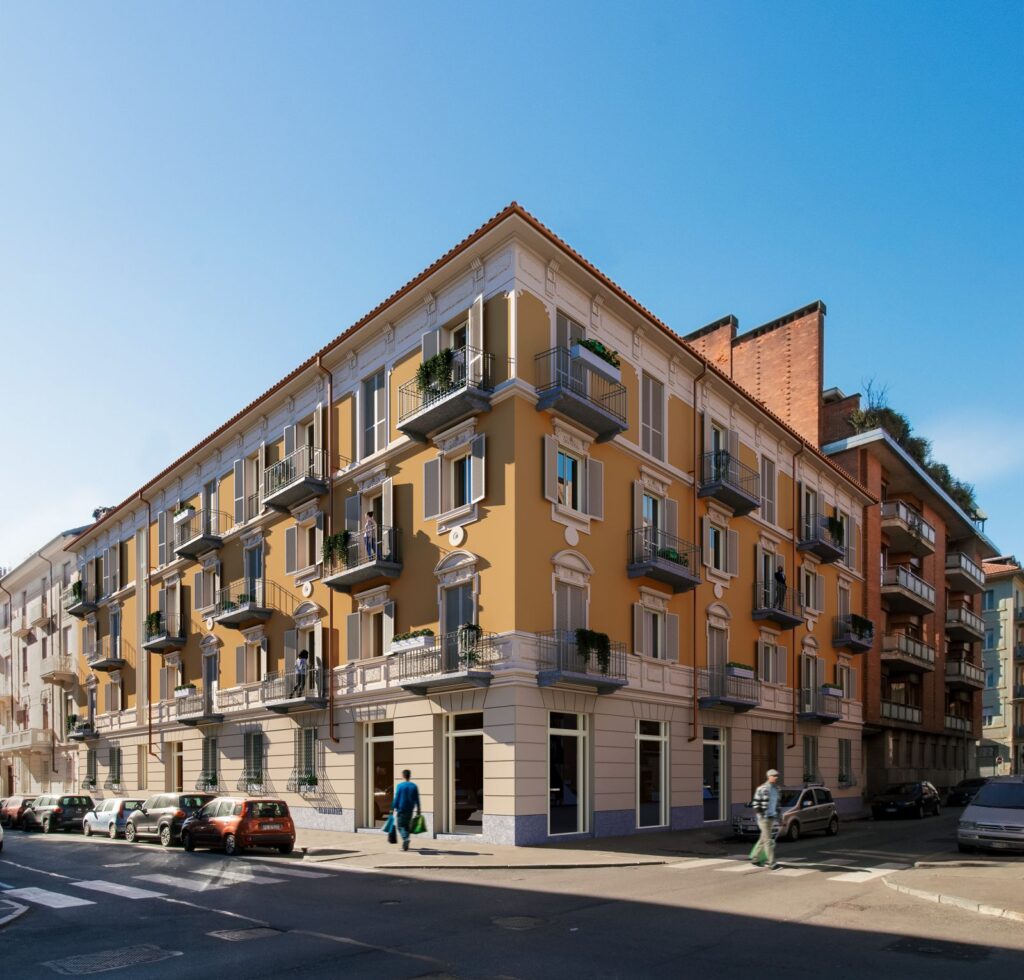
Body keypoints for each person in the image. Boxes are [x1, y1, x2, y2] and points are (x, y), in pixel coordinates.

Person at [750, 768, 781, 869]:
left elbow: (778, 804)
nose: (776, 778)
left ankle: (755, 858)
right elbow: (755, 804)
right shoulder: (762, 788)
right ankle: (771, 862)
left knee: (763, 839)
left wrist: (780, 817)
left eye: (777, 776)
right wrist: (761, 814)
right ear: (769, 776)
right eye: (774, 776)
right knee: (768, 840)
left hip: (772, 817)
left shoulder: (777, 789)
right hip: (763, 818)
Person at [391, 769, 421, 852]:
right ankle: (406, 846)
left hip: (401, 809)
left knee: (400, 826)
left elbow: (397, 798)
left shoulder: (400, 786)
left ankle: (405, 839)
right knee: (407, 827)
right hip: (410, 810)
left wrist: (393, 807)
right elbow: (417, 799)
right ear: (409, 776)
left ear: (403, 776)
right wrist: (419, 809)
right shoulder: (414, 786)